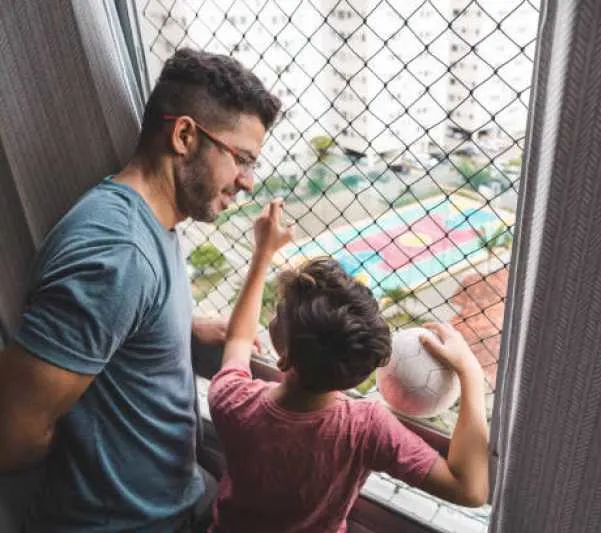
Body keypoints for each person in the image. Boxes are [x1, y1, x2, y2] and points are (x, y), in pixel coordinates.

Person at [0, 48, 281, 532]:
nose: (248, 182)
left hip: (173, 502)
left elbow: (112, 325)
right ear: (185, 135)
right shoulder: (118, 252)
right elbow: (14, 429)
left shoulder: (152, 224)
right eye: (242, 159)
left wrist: (181, 331)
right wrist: (86, 477)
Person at [208, 198, 490, 533]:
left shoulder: (234, 400)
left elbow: (238, 341)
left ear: (284, 357)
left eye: (280, 311)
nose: (274, 312)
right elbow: (469, 490)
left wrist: (263, 253)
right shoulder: (365, 428)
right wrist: (469, 372)